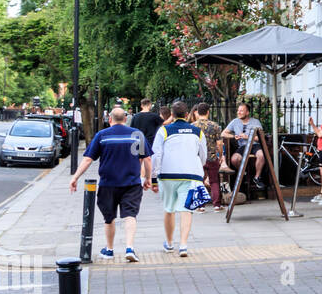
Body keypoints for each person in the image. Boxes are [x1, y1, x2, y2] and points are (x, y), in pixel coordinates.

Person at [68, 107, 152, 262]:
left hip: (108, 183)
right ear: (125, 119)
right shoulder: (137, 134)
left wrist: (75, 177)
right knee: (130, 215)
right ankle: (129, 248)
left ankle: (109, 250)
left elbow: (88, 159)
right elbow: (147, 159)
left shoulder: (102, 135)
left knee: (109, 217)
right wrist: (148, 178)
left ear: (110, 119)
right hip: (132, 183)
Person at [152, 101, 207, 257]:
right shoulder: (197, 131)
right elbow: (203, 155)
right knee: (186, 210)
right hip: (190, 175)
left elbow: (156, 155)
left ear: (172, 114)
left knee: (169, 209)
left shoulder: (164, 130)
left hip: (168, 175)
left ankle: (169, 243)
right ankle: (183, 245)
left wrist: (154, 177)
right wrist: (198, 167)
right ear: (187, 113)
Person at [223, 102, 266, 188]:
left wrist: (248, 137)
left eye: (241, 111)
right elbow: (223, 133)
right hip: (242, 146)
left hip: (254, 145)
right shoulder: (235, 121)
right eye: (238, 110)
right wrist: (233, 136)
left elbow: (261, 138)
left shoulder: (255, 122)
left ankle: (257, 177)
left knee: (261, 155)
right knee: (234, 159)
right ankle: (244, 174)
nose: (239, 112)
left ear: (247, 112)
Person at [193, 102, 224, 211]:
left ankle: (200, 206)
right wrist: (220, 155)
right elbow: (219, 144)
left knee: (199, 181)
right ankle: (216, 205)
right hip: (211, 157)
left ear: (197, 112)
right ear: (208, 112)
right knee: (214, 181)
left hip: (197, 158)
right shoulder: (215, 126)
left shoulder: (193, 126)